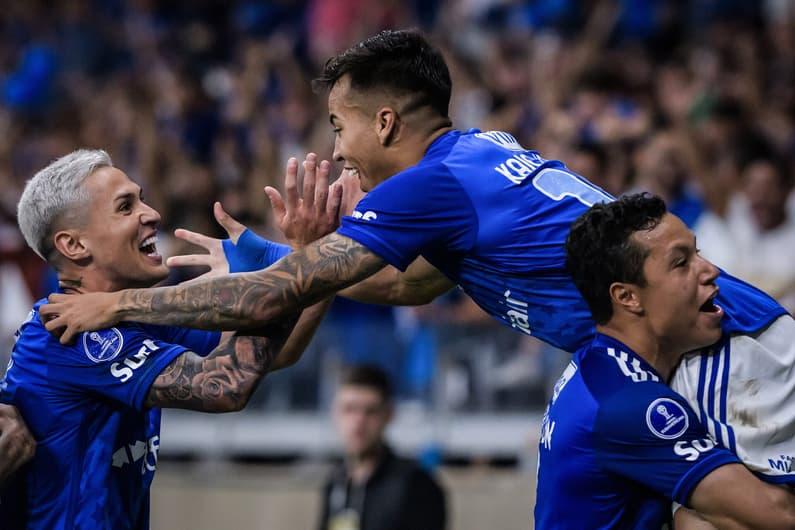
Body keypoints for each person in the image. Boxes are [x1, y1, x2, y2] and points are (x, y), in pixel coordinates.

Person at [39, 29, 794, 483]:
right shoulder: (477, 155)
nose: (336, 148)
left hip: (724, 350)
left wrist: (113, 304)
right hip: (716, 346)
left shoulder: (425, 185)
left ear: (387, 120)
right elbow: (411, 287)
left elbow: (274, 300)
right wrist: (267, 254)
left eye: (339, 125)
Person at [0, 149, 337, 529]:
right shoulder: (67, 334)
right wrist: (284, 280)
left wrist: (312, 261)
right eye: (125, 207)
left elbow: (277, 353)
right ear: (75, 245)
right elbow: (226, 384)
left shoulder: (136, 316)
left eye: (141, 197)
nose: (152, 213)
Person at [535, 193, 795, 529]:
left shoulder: (598, 365)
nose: (711, 270)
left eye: (697, 252)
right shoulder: (633, 408)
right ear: (627, 297)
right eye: (681, 263)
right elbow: (779, 516)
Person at [318, 364, 446, 530]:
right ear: (334, 413)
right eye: (349, 409)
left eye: (370, 411)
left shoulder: (416, 486)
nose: (358, 421)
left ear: (388, 414)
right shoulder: (335, 484)